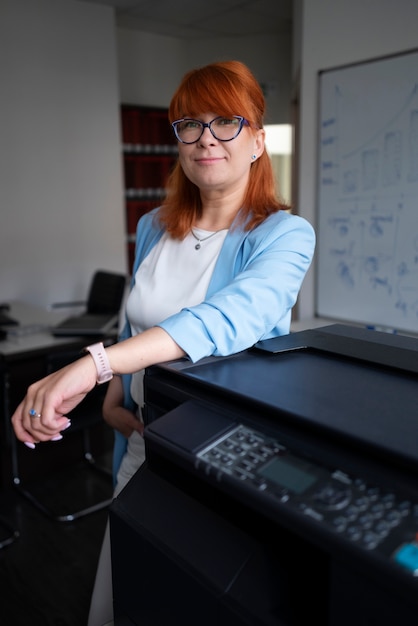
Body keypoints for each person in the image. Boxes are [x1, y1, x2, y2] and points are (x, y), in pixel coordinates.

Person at [11, 60, 316, 626]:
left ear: (257, 141)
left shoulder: (284, 235)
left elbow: (226, 319)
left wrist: (93, 366)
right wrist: (114, 395)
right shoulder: (155, 224)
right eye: (190, 124)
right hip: (146, 441)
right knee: (121, 590)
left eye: (226, 122)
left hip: (226, 455)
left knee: (199, 598)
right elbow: (137, 318)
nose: (206, 139)